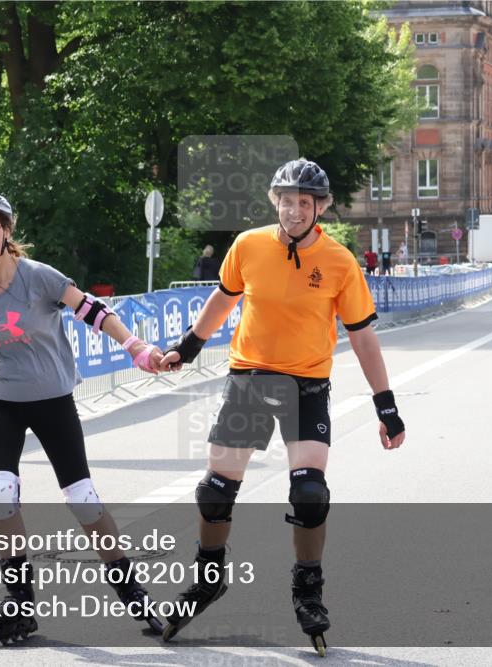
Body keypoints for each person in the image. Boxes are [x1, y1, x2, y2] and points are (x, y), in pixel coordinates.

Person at [157, 159, 407, 656]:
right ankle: (208, 580)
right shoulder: (248, 245)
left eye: (304, 202)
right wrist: (186, 347)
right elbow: (222, 300)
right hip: (248, 379)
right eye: (286, 200)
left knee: (310, 494)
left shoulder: (339, 262)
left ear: (321, 207)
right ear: (275, 201)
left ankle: (307, 592)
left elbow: (363, 338)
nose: (293, 210)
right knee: (214, 492)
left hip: (306, 386)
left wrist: (386, 405)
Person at [0, 191, 167, 647]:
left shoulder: (37, 277)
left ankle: (132, 594)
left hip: (53, 399)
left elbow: (92, 310)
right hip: (1, 400)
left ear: (7, 231)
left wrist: (135, 347)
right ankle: (19, 604)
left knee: (82, 499)